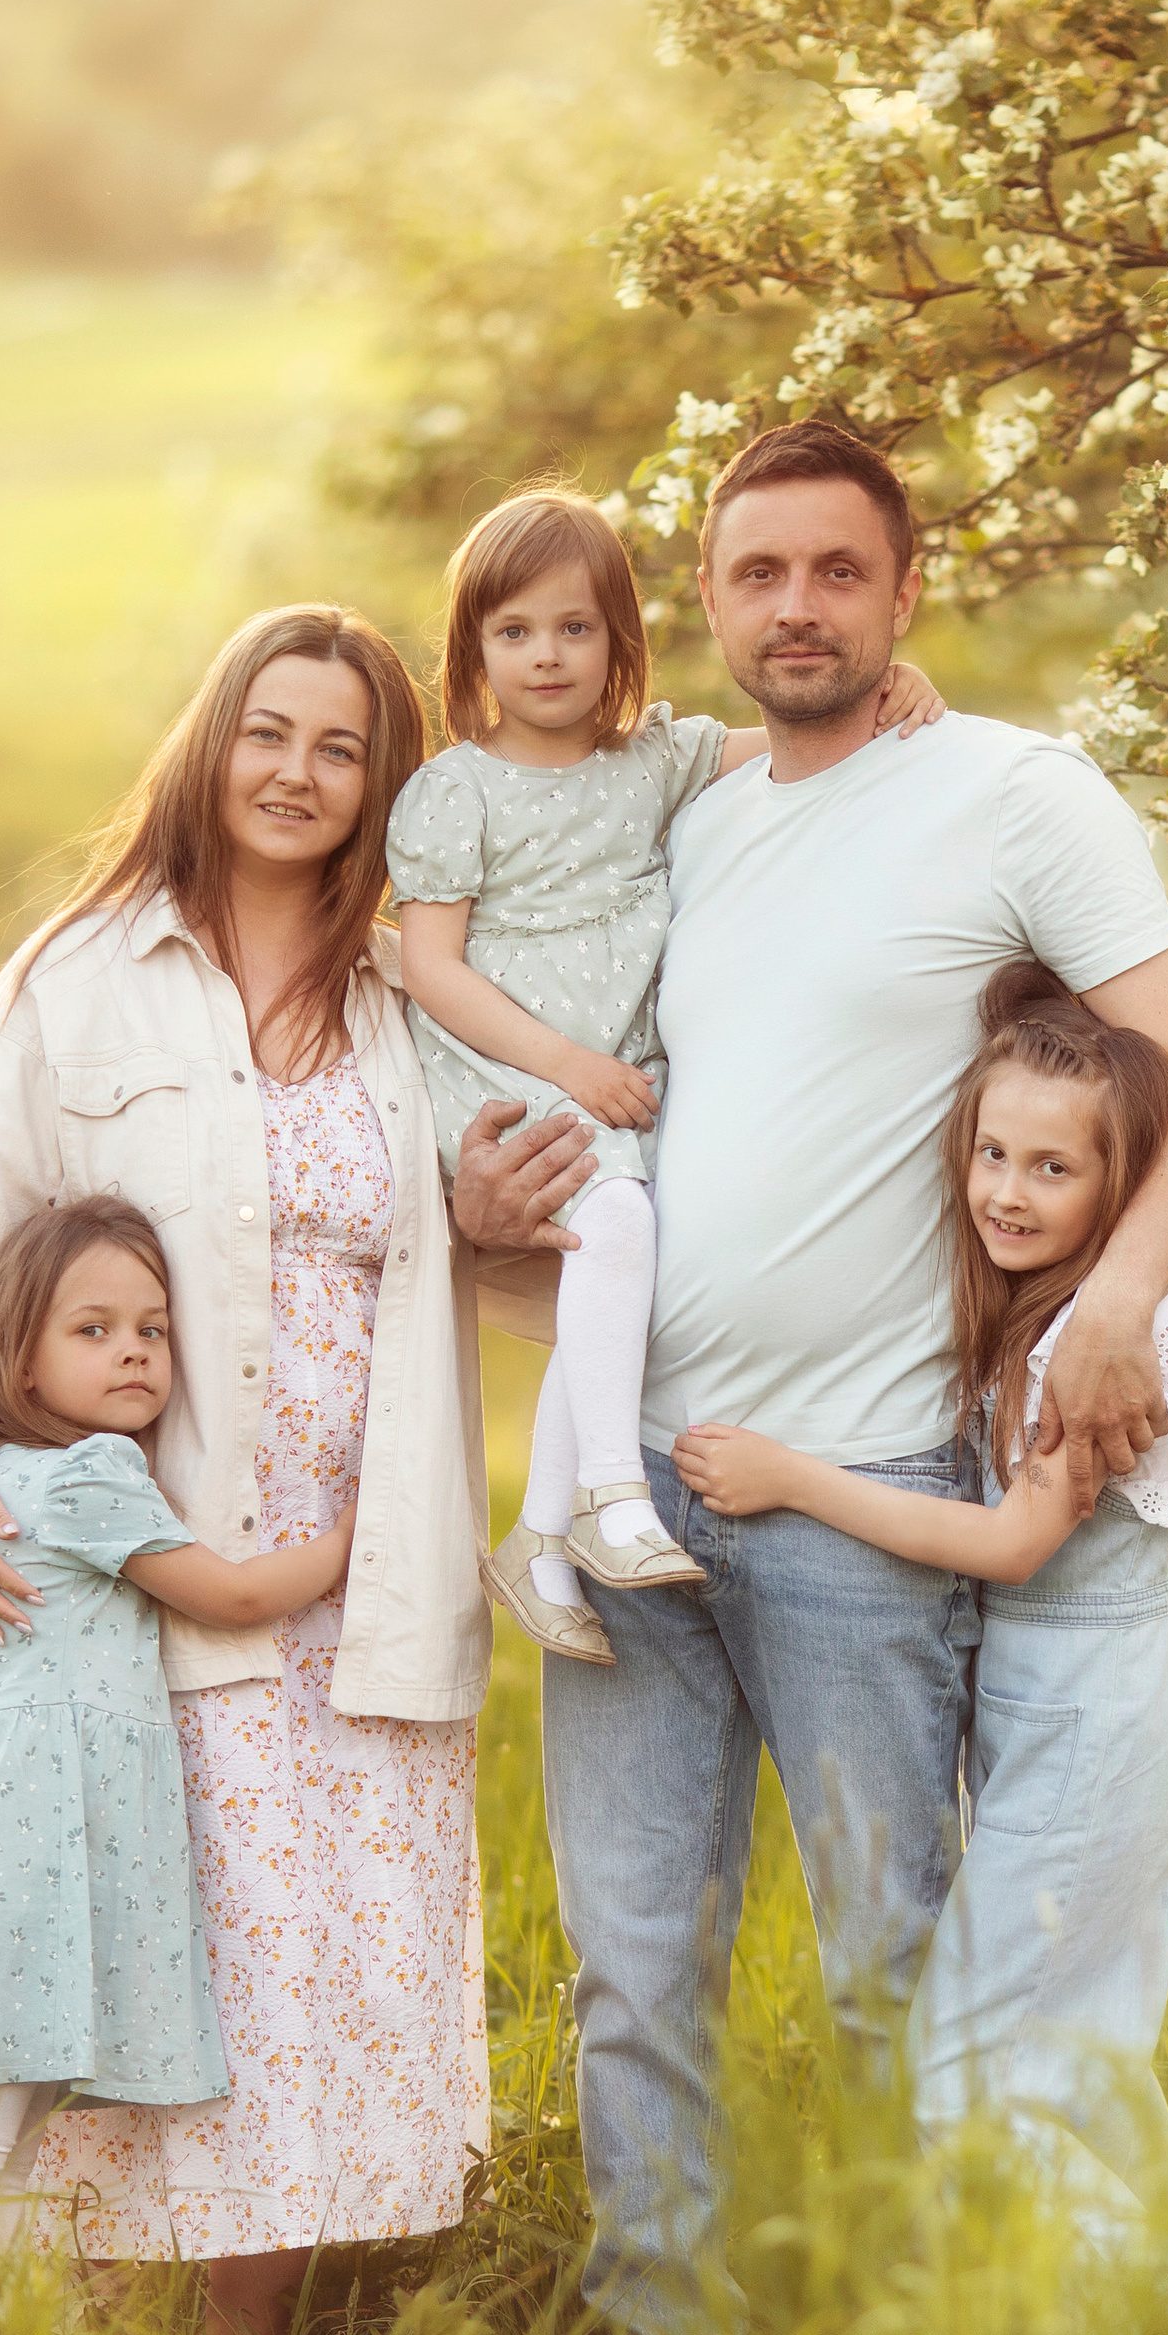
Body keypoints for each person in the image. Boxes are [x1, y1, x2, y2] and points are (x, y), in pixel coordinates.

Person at [448, 417, 1168, 2335]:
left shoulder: (1009, 790)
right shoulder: (683, 804)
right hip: (634, 1476)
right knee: (633, 1969)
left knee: (897, 1963)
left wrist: (1118, 1302)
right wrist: (478, 1213)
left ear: (902, 592)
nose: (792, 605)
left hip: (863, 1492)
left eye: (833, 570)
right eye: (754, 573)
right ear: (704, 602)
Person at [0, 604, 500, 2335]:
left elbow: (515, 1220)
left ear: (385, 783)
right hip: (160, 1567)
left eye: (343, 745)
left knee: (328, 1972)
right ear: (212, 744)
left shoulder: (417, 988)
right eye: (268, 732)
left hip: (368, 1563)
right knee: (160, 1938)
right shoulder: (82, 978)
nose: (297, 773)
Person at [677, 963, 1168, 2335]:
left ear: (1123, 1183)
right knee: (1074, 2045)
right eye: (994, 1154)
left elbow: (1016, 1545)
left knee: (965, 2057)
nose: (1011, 1191)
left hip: (1091, 1722)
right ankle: (1157, 2331)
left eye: (1056, 1167)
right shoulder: (1033, 1303)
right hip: (1066, 1715)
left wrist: (793, 1480)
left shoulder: (1103, 1337)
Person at [388, 482, 943, 1663]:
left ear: (619, 641)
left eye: (576, 628)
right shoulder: (453, 792)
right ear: (474, 646)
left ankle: (540, 1540)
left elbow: (790, 736)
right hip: (502, 1065)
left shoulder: (651, 765)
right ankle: (607, 1497)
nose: (547, 656)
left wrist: (899, 687)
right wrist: (566, 1065)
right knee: (623, 1224)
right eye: (516, 631)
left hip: (611, 1079)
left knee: (623, 1275)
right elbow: (432, 969)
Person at [0, 1197, 360, 2314]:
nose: (134, 1348)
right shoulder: (83, 1473)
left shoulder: (16, 1476)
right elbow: (232, 1595)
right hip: (26, 1854)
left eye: (151, 1326)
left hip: (18, 1850)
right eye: (91, 1329)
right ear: (22, 1361)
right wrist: (350, 1538)